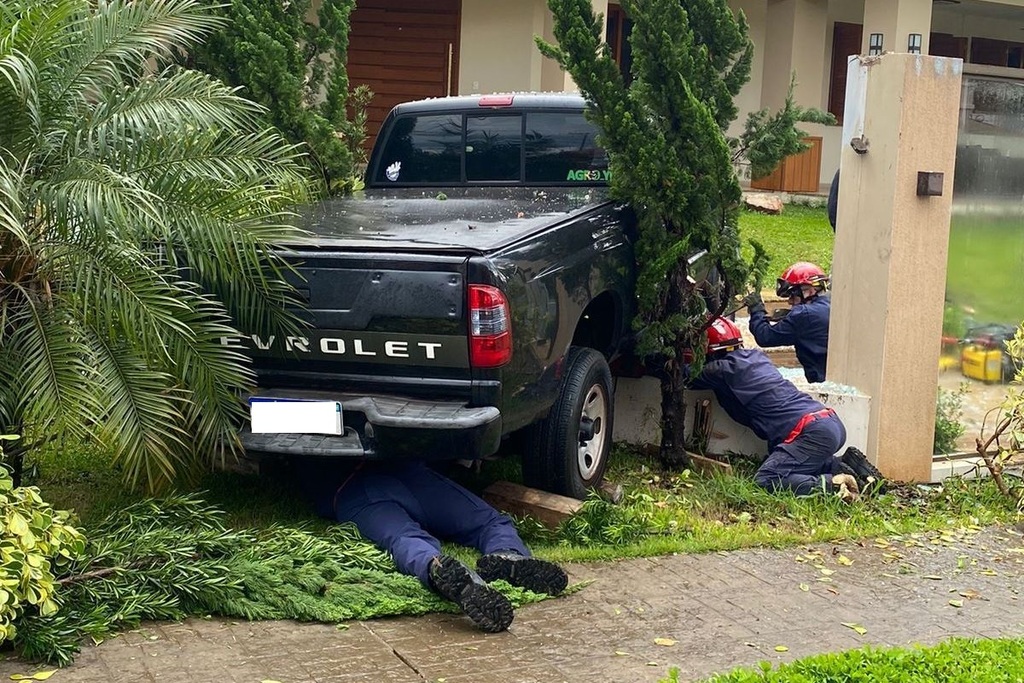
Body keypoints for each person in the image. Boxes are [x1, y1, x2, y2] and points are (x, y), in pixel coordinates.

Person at [298, 459, 568, 633]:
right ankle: (506, 553)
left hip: (356, 491)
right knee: (489, 522)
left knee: (404, 539)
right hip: (407, 475)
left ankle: (436, 567)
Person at [685, 317, 860, 501]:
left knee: (767, 479)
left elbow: (681, 373)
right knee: (799, 465)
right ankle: (846, 468)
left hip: (810, 432)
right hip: (828, 421)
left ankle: (833, 486)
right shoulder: (756, 357)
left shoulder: (722, 370)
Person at [744, 261, 831, 383]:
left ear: (809, 290)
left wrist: (757, 310)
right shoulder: (832, 305)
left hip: (822, 382)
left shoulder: (802, 314)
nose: (789, 301)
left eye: (793, 295)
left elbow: (764, 336)